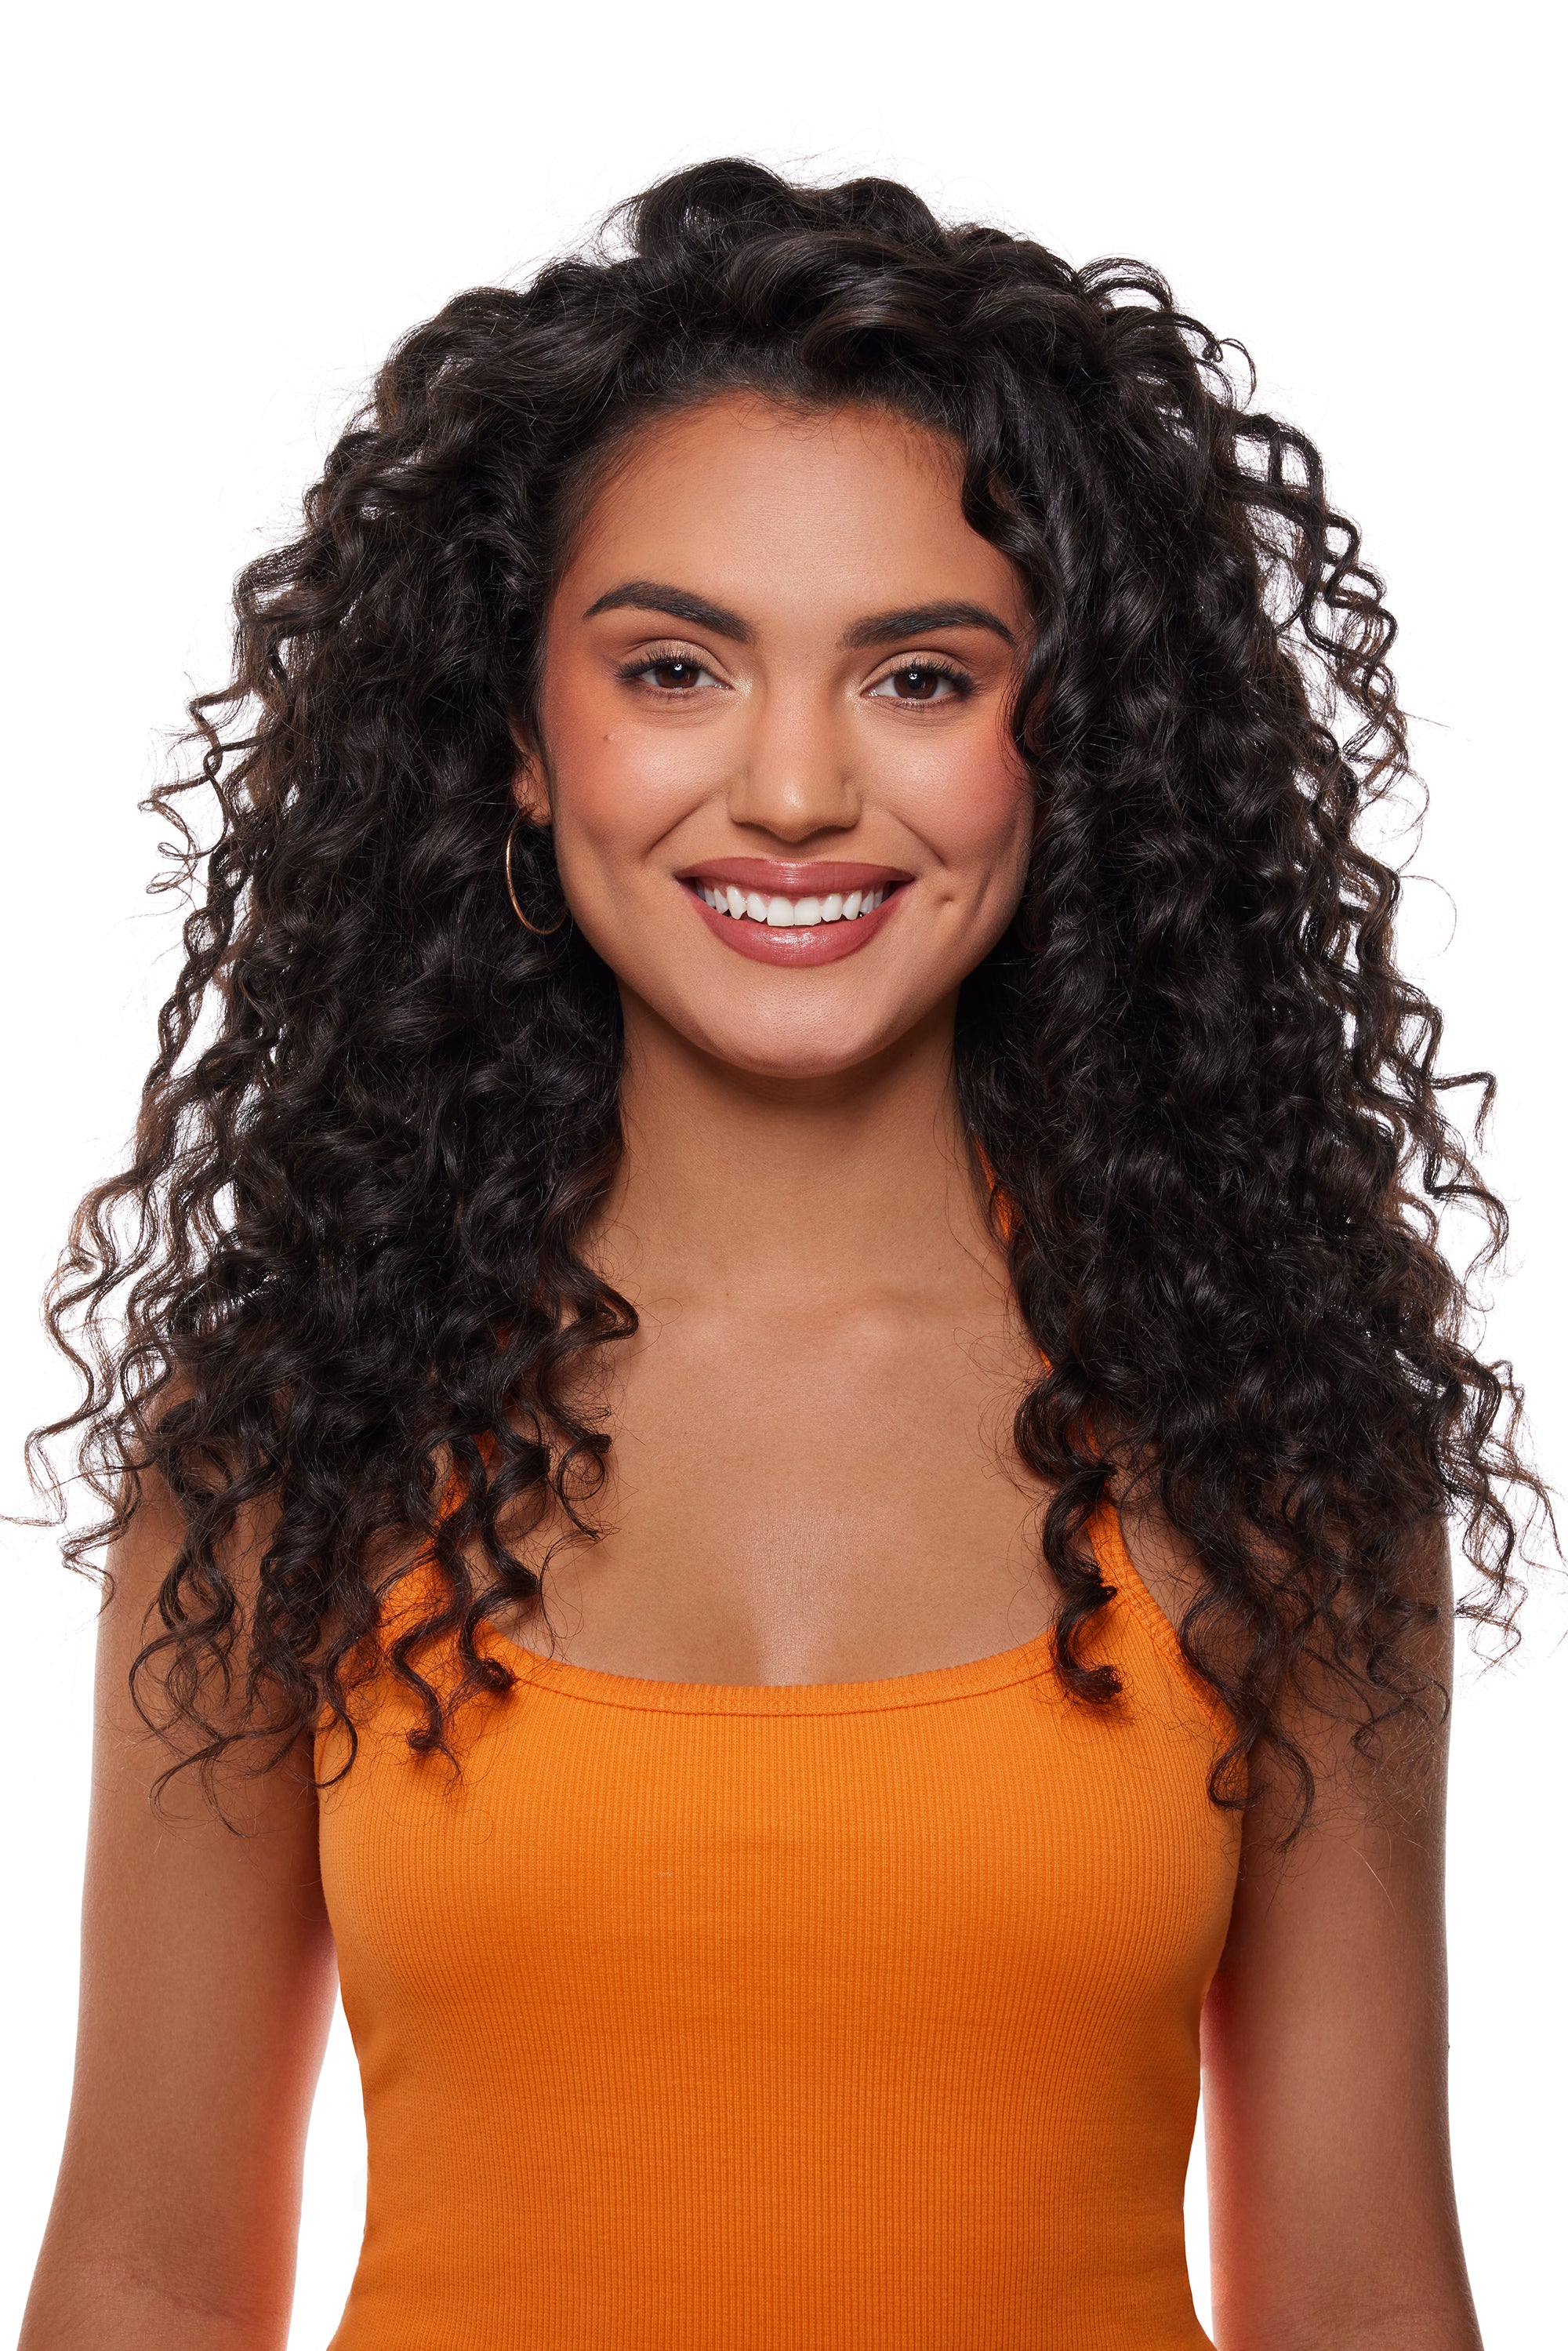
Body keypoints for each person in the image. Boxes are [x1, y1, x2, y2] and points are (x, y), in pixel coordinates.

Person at [18, 156, 1545, 2351]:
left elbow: (1365, 2300)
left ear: (1067, 748)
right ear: (521, 747)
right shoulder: (292, 1439)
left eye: (921, 676)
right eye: (677, 668)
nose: (801, 790)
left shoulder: (1271, 1435)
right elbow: (148, 2289)